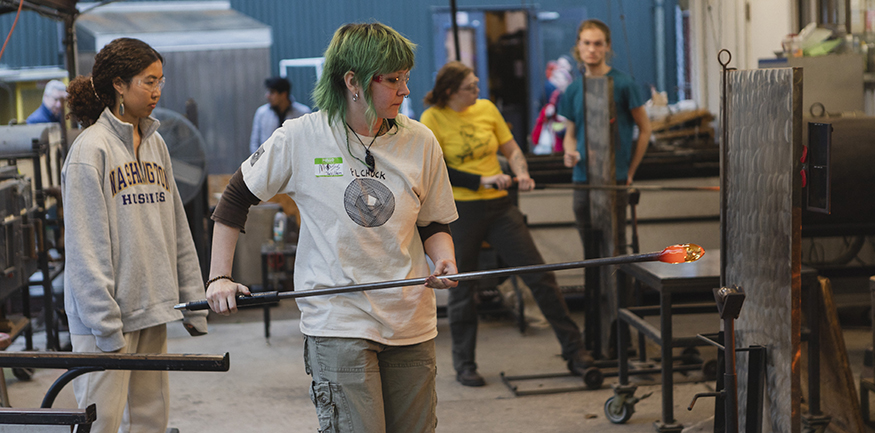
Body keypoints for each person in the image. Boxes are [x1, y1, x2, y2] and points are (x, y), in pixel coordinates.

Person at [206, 23, 459, 433]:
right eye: (393, 80)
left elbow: (433, 220)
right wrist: (220, 276)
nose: (405, 91)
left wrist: (444, 259)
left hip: (410, 317)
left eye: (406, 79)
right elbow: (235, 198)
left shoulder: (421, 141)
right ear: (352, 81)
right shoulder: (301, 137)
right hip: (338, 319)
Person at [62, 37, 208, 433]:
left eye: (161, 80)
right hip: (103, 323)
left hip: (152, 308)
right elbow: (84, 247)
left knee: (150, 420)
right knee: (100, 423)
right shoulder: (90, 151)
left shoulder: (157, 142)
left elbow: (177, 226)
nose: (158, 91)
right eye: (148, 81)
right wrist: (105, 325)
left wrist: (192, 302)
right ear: (119, 85)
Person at [420, 61, 593, 388]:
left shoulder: (486, 109)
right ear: (450, 91)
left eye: (476, 84)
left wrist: (522, 171)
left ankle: (576, 352)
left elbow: (511, 149)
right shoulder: (431, 118)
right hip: (461, 210)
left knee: (540, 276)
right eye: (470, 87)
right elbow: (438, 168)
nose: (477, 91)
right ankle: (465, 364)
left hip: (500, 208)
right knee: (461, 287)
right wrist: (483, 178)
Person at [558, 19, 652, 257]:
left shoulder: (624, 84)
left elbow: (645, 129)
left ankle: (622, 295)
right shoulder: (573, 90)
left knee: (615, 249)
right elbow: (570, 135)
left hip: (614, 179)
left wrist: (630, 171)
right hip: (583, 179)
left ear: (607, 46)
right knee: (590, 251)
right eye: (587, 43)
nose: (592, 49)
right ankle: (595, 295)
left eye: (598, 44)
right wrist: (569, 153)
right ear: (578, 46)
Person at [249, 76, 311, 154]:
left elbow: (308, 141)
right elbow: (255, 143)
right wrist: (258, 163)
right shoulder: (262, 113)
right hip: (268, 162)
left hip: (294, 161)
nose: (267, 96)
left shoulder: (302, 113)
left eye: (272, 92)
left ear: (283, 94)